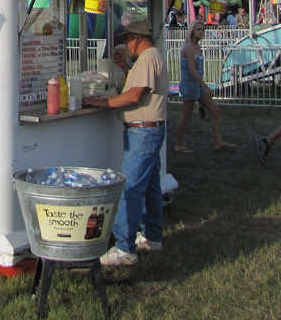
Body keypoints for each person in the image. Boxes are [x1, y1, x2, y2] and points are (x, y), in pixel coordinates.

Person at [83, 20, 168, 266]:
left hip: (143, 132)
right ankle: (152, 236)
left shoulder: (148, 58)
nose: (126, 45)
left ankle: (123, 247)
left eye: (128, 40)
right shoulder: (150, 57)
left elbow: (133, 95)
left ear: (137, 38)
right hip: (150, 130)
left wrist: (102, 102)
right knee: (151, 187)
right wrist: (125, 67)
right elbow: (139, 87)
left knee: (130, 188)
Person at [174, 21, 235, 153]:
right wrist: (205, 86)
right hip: (190, 85)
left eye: (203, 29)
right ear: (192, 31)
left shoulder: (198, 47)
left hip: (198, 84)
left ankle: (219, 142)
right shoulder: (189, 48)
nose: (201, 32)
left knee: (215, 110)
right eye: (198, 30)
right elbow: (192, 70)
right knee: (186, 115)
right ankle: (178, 144)